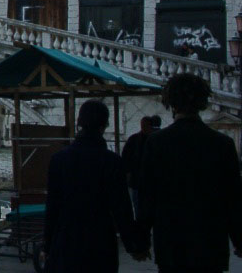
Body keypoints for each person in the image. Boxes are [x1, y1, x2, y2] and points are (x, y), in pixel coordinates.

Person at [137, 74, 242, 272]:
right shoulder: (222, 144)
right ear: (203, 101)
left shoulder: (157, 143)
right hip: (210, 243)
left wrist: (140, 242)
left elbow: (147, 197)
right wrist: (239, 239)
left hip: (170, 242)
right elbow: (233, 199)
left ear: (171, 102)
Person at [42, 99, 139, 272]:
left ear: (79, 123)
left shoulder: (58, 159)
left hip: (66, 240)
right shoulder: (112, 162)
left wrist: (47, 245)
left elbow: (52, 207)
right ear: (105, 125)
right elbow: (122, 209)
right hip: (100, 242)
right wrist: (133, 245)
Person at [121, 115, 153, 214]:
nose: (143, 127)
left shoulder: (134, 139)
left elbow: (126, 157)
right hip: (140, 179)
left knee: (138, 205)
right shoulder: (153, 140)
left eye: (145, 125)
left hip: (137, 179)